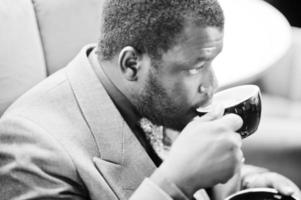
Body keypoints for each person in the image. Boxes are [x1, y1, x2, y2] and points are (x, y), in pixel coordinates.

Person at [0, 0, 300, 200]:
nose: (212, 85)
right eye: (196, 67)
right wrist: (174, 184)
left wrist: (244, 184)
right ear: (131, 64)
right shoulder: (31, 147)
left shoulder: (154, 97)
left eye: (212, 63)